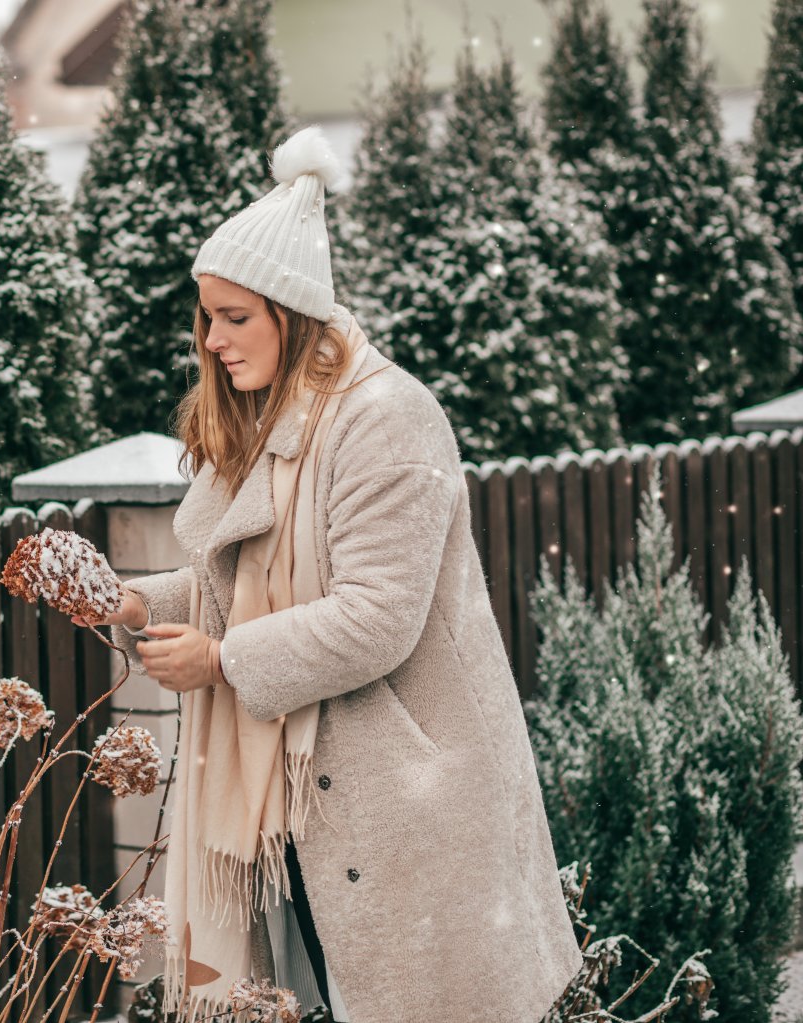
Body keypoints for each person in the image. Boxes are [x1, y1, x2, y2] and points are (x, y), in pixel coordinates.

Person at [72, 125, 583, 1023]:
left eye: (236, 317)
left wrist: (222, 663)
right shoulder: (269, 424)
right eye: (207, 318)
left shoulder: (387, 418)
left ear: (292, 311)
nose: (214, 340)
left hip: (405, 802)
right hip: (304, 810)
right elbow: (243, 585)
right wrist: (129, 601)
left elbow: (375, 616)